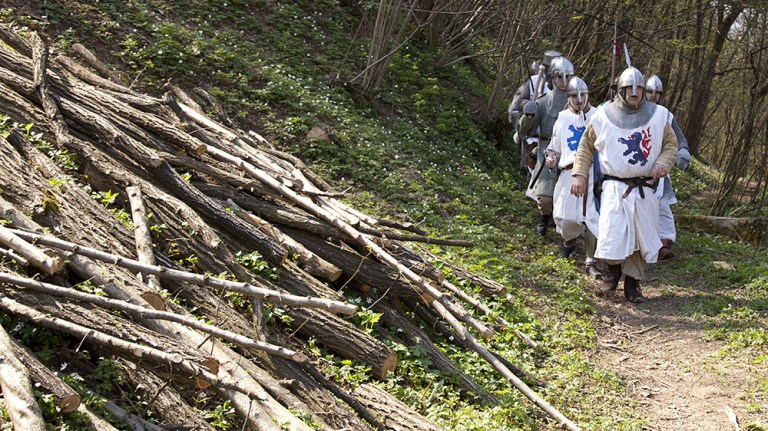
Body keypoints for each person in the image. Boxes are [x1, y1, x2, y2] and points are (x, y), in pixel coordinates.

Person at [570, 66, 678, 303]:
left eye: (639, 88)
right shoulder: (602, 116)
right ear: (620, 89)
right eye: (629, 88)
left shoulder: (658, 115)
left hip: (644, 189)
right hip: (614, 189)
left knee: (640, 240)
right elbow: (585, 147)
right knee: (615, 234)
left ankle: (633, 284)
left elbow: (671, 144)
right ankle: (613, 271)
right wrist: (579, 175)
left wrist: (663, 162)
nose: (635, 92)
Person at [546, 77, 600, 275]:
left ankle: (590, 259)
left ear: (587, 95)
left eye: (583, 95)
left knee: (592, 216)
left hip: (593, 173)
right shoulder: (562, 118)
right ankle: (569, 243)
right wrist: (551, 158)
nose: (579, 99)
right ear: (568, 98)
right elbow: (554, 147)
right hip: (568, 172)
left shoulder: (598, 116)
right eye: (575, 96)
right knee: (564, 216)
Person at [519, 55, 574, 235]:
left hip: (570, 151)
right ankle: (544, 217)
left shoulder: (578, 102)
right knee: (543, 197)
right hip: (547, 150)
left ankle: (567, 229)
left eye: (567, 77)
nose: (563, 81)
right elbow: (526, 132)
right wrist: (528, 117)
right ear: (552, 77)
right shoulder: (543, 101)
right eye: (559, 76)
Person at [645, 74, 692, 260]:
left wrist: (682, 150)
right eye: (649, 91)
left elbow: (678, 138)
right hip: (637, 166)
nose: (653, 96)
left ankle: (665, 243)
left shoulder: (665, 115)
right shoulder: (633, 113)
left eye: (657, 93)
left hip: (661, 166)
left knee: (663, 205)